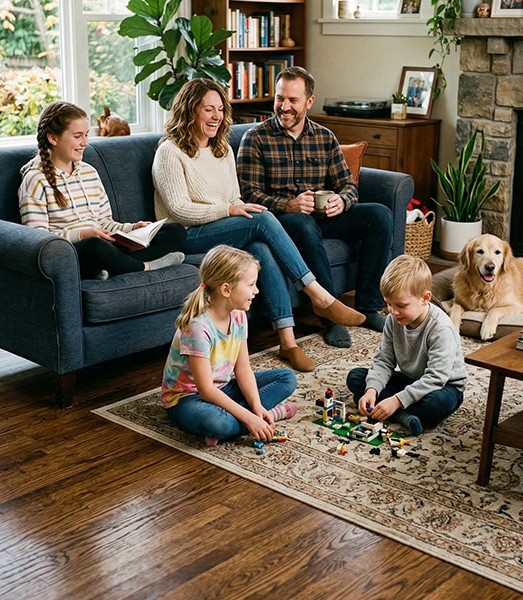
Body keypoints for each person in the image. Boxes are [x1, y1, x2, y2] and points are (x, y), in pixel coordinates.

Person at [153, 78, 365, 373]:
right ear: (190, 111)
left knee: (260, 247)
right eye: (208, 110)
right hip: (186, 235)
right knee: (263, 217)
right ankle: (318, 294)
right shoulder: (170, 152)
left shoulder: (221, 149)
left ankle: (288, 342)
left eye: (220, 110)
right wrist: (230, 210)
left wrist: (234, 210)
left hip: (222, 227)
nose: (216, 116)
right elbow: (179, 210)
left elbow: (234, 196)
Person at [237, 66, 393, 350]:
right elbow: (248, 194)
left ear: (309, 102)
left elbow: (348, 185)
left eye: (292, 100)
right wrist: (289, 204)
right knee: (303, 223)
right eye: (280, 98)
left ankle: (369, 308)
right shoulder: (256, 138)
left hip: (324, 217)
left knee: (379, 216)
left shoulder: (324, 137)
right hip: (282, 221)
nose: (284, 107)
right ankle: (331, 317)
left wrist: (341, 200)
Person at [19, 101, 186, 279]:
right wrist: (82, 234)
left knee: (175, 231)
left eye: (86, 135)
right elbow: (38, 241)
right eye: (77, 136)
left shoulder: (89, 172)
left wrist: (132, 228)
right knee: (95, 247)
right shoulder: (35, 179)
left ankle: (113, 266)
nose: (85, 142)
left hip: (105, 244)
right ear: (53, 138)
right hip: (75, 252)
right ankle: (144, 266)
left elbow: (105, 222)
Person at [161, 245, 299, 446]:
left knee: (286, 378)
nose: (257, 290)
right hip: (187, 399)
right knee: (217, 424)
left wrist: (256, 405)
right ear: (226, 289)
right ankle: (269, 416)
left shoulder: (239, 315)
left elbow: (243, 368)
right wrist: (250, 417)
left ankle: (250, 417)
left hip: (223, 388)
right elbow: (206, 390)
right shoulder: (198, 327)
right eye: (251, 285)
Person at [345, 255, 467, 436]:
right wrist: (372, 390)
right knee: (356, 377)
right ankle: (406, 416)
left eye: (401, 305)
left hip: (443, 386)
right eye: (388, 303)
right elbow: (384, 360)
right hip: (411, 380)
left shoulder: (441, 328)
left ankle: (396, 411)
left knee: (437, 404)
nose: (393, 311)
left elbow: (436, 377)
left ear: (425, 298)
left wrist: (396, 401)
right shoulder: (393, 320)